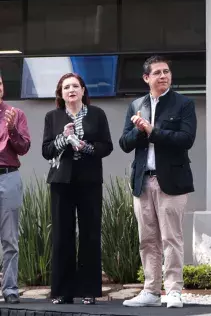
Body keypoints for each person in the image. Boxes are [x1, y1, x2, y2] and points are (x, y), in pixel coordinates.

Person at [119, 55, 197, 308]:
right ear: (146, 78)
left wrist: (153, 131)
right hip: (142, 181)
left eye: (166, 72)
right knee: (147, 238)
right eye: (157, 73)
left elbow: (186, 139)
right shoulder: (136, 105)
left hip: (171, 181)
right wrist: (139, 132)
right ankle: (150, 291)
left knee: (171, 238)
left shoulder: (183, 104)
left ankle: (174, 290)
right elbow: (124, 143)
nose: (163, 76)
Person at [42, 73, 113, 305]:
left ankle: (89, 290)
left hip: (89, 180)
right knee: (62, 235)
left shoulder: (97, 114)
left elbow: (107, 146)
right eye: (66, 87)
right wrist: (64, 139)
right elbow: (46, 150)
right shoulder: (53, 117)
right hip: (61, 182)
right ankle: (62, 291)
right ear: (60, 94)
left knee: (90, 234)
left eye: (75, 86)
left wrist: (87, 147)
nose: (71, 90)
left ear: (83, 90)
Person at [0, 72, 30, 304]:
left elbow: (23, 148)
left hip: (8, 178)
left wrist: (11, 129)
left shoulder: (16, 114)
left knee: (10, 239)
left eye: (0, 83)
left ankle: (10, 289)